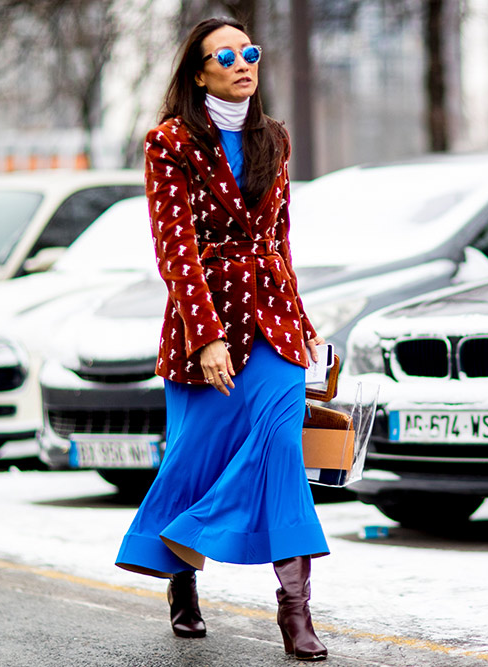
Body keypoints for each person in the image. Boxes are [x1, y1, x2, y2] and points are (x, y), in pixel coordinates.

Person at [115, 17, 329, 661]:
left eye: (250, 52)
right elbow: (175, 252)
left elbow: (280, 239)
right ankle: (183, 580)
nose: (243, 63)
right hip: (204, 325)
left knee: (282, 453)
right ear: (199, 71)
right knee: (192, 460)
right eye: (226, 55)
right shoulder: (170, 144)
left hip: (275, 325)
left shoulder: (276, 140)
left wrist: (303, 321)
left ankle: (295, 611)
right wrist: (206, 338)